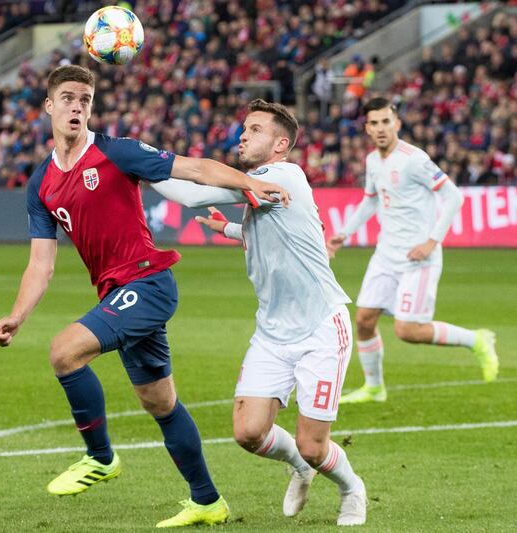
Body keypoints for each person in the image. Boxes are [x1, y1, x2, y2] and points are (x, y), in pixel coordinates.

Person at [0, 65, 290, 528]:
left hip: (147, 283)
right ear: (48, 106)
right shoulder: (41, 185)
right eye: (68, 98)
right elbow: (41, 265)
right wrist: (17, 315)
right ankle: (208, 501)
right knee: (160, 404)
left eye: (86, 99)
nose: (77, 106)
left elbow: (194, 168)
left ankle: (101, 457)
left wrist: (248, 182)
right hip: (118, 291)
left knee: (65, 352)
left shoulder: (118, 153)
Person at [151, 99, 367, 526]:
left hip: (320, 327)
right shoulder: (262, 188)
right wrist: (231, 228)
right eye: (243, 128)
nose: (242, 136)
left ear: (280, 143)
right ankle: (300, 469)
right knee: (248, 432)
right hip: (272, 331)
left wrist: (138, 162)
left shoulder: (283, 174)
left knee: (313, 444)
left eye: (254, 129)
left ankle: (350, 487)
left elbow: (193, 194)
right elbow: (273, 226)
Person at [326, 97, 499, 404]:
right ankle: (375, 388)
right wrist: (344, 234)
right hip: (386, 253)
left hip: (418, 257)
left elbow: (454, 196)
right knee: (364, 319)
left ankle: (477, 340)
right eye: (374, 123)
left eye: (386, 122)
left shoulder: (414, 159)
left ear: (397, 124)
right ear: (367, 128)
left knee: (408, 330)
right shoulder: (372, 161)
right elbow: (370, 200)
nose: (381, 128)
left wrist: (432, 241)